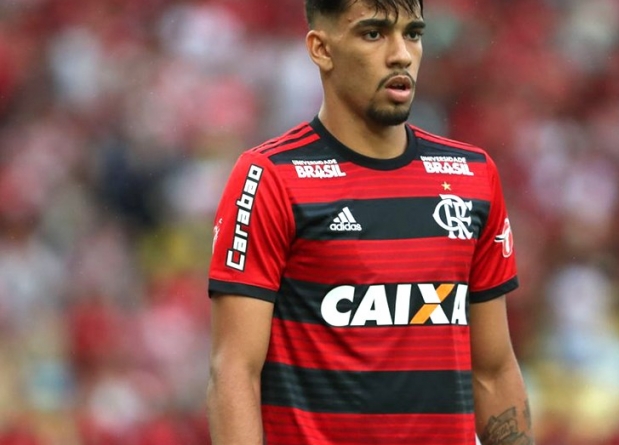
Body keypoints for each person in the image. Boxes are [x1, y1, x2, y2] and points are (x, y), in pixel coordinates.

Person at [205, 0, 533, 444]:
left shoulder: (473, 175)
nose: (401, 55)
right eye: (374, 34)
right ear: (322, 49)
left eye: (412, 34)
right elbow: (234, 371)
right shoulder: (271, 177)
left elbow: (493, 371)